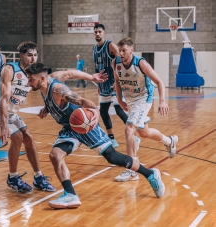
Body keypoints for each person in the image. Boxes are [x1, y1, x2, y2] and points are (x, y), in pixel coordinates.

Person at [26, 62, 165, 209]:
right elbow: (70, 73)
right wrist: (48, 107)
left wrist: (95, 113)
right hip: (69, 127)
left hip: (85, 125)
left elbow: (81, 101)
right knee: (55, 155)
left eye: (31, 79)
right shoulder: (48, 81)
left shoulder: (58, 89)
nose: (29, 83)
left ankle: (150, 174)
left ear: (42, 78)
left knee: (113, 157)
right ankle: (70, 195)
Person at [0, 41, 56, 193]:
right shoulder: (9, 69)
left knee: (29, 137)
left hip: (11, 112)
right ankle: (13, 177)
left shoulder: (34, 73)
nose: (33, 59)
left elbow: (46, 88)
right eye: (29, 55)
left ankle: (38, 177)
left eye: (35, 55)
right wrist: (3, 126)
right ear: (21, 56)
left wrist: (47, 106)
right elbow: (4, 99)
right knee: (18, 137)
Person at [112, 37, 178, 182]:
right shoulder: (115, 63)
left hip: (143, 99)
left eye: (124, 50)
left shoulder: (141, 63)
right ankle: (169, 141)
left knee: (129, 128)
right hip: (130, 100)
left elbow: (159, 82)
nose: (121, 53)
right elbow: (117, 81)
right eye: (119, 51)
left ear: (131, 50)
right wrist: (119, 99)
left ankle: (132, 170)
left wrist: (162, 101)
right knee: (144, 132)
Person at [93, 23, 132, 149]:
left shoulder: (110, 45)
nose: (98, 34)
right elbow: (97, 67)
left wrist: (119, 81)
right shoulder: (94, 48)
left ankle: (133, 134)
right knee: (103, 111)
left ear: (104, 33)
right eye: (96, 32)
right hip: (103, 85)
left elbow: (120, 60)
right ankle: (111, 138)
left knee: (119, 109)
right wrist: (98, 84)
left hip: (114, 83)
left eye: (100, 31)